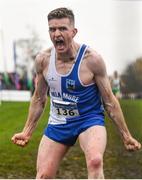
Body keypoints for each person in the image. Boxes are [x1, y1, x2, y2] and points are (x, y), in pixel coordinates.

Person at [11, 7, 141, 179]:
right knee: (43, 175)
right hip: (58, 122)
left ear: (73, 32)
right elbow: (39, 98)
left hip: (89, 119)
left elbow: (109, 100)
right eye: (52, 29)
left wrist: (126, 136)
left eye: (62, 28)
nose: (57, 34)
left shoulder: (92, 60)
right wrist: (27, 131)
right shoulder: (43, 60)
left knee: (95, 161)